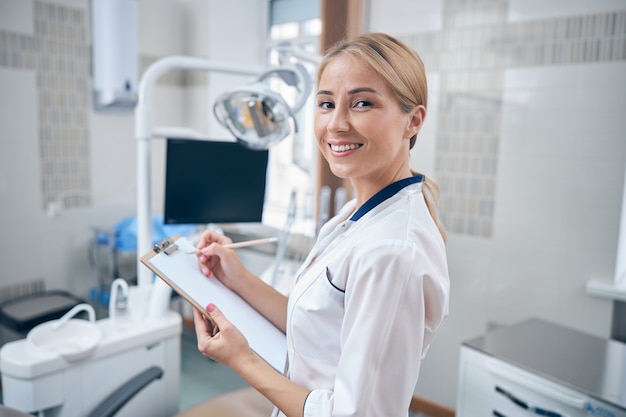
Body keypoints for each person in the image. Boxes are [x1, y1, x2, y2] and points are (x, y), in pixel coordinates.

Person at [192, 32, 450, 417]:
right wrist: (238, 278)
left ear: (413, 120)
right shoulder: (354, 215)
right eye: (326, 103)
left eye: (362, 103)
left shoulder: (393, 251)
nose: (337, 124)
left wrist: (241, 359)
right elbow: (316, 327)